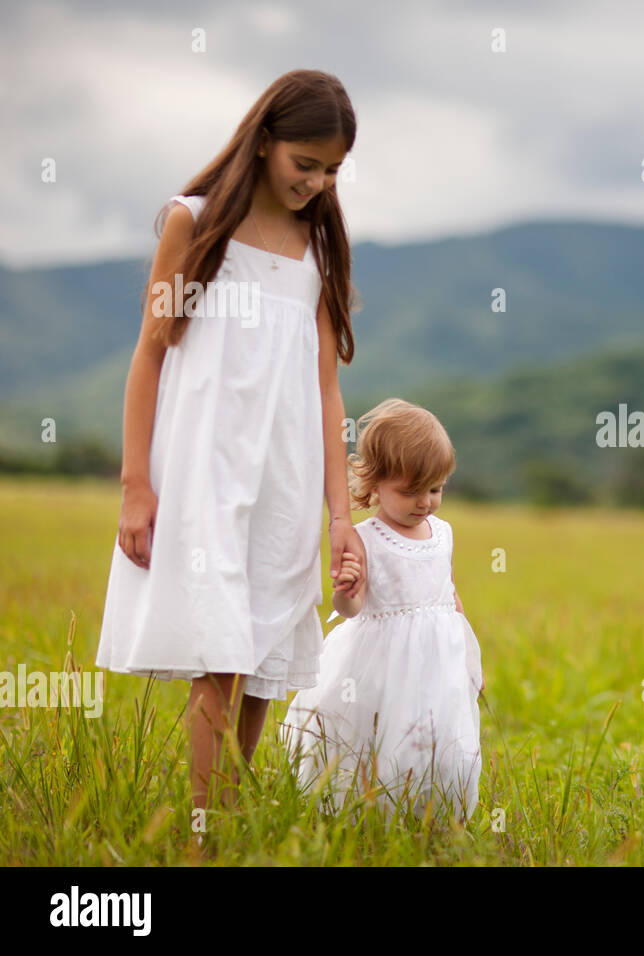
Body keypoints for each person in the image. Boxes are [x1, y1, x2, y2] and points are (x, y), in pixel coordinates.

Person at [96, 69, 366, 814]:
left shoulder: (316, 242)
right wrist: (136, 485)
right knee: (217, 654)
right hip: (203, 466)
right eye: (303, 164)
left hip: (285, 471)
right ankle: (202, 827)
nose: (316, 183)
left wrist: (341, 514)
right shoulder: (194, 221)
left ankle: (230, 811)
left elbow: (324, 385)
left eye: (332, 171)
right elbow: (151, 353)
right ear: (263, 143)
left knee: (264, 657)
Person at [280, 399, 485, 825]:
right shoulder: (364, 538)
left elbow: (449, 595)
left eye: (435, 488)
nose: (425, 502)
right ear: (374, 483)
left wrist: (466, 655)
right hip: (381, 661)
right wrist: (346, 590)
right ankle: (370, 815)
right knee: (374, 736)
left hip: (437, 661)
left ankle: (433, 816)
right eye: (410, 491)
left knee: (441, 737)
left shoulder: (443, 533)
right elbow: (350, 609)